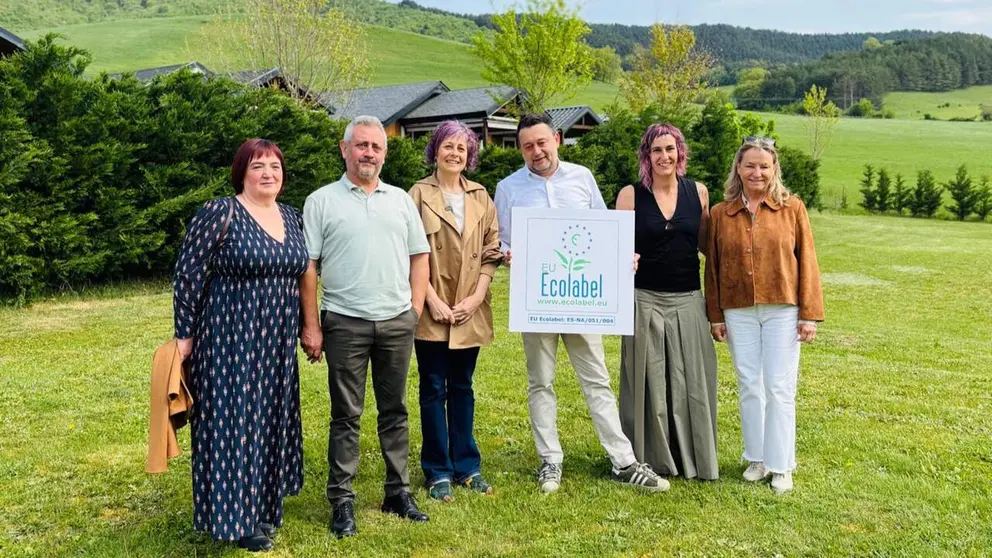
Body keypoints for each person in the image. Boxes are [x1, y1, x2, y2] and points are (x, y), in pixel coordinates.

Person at [494, 113, 669, 494]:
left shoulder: (581, 177)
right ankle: (550, 461)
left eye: (542, 142)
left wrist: (625, 255)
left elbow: (605, 228)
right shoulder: (508, 188)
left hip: (582, 298)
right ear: (521, 149)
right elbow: (502, 240)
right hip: (538, 298)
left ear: (556, 139)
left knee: (596, 380)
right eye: (527, 146)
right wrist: (509, 254)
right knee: (540, 381)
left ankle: (622, 461)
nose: (536, 151)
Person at [299, 115, 431, 539]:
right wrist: (312, 326)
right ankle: (342, 500)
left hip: (396, 322)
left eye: (375, 146)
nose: (368, 153)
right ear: (344, 149)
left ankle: (398, 492)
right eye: (360, 145)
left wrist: (413, 309)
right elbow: (309, 267)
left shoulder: (400, 200)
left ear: (385, 152)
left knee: (395, 411)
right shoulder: (320, 201)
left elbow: (419, 256)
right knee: (346, 415)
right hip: (344, 323)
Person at [173, 138, 307, 552]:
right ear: (241, 173)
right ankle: (236, 519)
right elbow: (188, 275)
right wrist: (184, 338)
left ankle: (264, 509)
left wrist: (309, 327)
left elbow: (303, 275)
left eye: (275, 166)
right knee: (231, 426)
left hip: (276, 343)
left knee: (268, 422)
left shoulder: (292, 216)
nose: (268, 173)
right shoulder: (220, 213)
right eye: (257, 166)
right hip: (229, 339)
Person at [704, 137, 825, 494]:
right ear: (738, 169)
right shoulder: (720, 214)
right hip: (737, 309)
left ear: (774, 170)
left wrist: (809, 314)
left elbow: (809, 262)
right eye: (750, 165)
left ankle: (781, 465)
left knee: (779, 386)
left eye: (764, 166)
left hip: (783, 309)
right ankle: (756, 457)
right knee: (749, 385)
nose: (757, 172)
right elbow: (712, 268)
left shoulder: (792, 208)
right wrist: (715, 315)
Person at [615, 123, 719, 481]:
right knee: (649, 382)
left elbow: (708, 246)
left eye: (670, 149)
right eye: (656, 150)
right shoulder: (630, 196)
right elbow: (614, 251)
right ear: (646, 156)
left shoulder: (699, 193)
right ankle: (650, 458)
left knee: (692, 381)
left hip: (688, 299)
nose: (664, 157)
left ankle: (693, 457)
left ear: (680, 153)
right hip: (643, 298)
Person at [407, 120, 503, 502]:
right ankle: (437, 470)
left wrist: (476, 298)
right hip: (431, 305)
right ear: (435, 150)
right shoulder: (416, 194)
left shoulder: (481, 196)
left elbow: (492, 252)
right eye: (448, 146)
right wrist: (431, 300)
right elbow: (409, 252)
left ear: (470, 155)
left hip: (469, 308)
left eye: (462, 148)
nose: (455, 153)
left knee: (462, 387)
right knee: (433, 387)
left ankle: (467, 466)